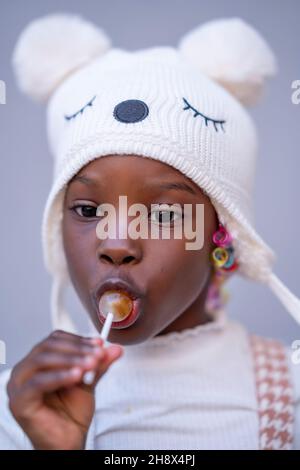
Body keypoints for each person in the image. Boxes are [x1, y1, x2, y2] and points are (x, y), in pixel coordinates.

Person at [0, 13, 299, 450]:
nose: (117, 244)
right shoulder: (17, 414)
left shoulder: (289, 400)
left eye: (163, 215)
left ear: (223, 236)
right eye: (86, 208)